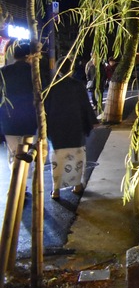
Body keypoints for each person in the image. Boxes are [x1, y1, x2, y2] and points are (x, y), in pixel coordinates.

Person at [45, 57, 98, 199]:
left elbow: (45, 109)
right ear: (71, 69)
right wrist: (91, 122)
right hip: (76, 128)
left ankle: (56, 190)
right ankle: (77, 185)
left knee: (58, 159)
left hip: (57, 130)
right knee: (77, 158)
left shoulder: (51, 87)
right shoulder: (78, 85)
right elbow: (85, 107)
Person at [0, 42, 37, 170]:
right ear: (29, 56)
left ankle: (18, 186)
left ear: (14, 56)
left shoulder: (3, 72)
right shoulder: (35, 73)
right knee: (27, 153)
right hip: (30, 120)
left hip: (8, 120)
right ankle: (23, 181)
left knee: (14, 154)